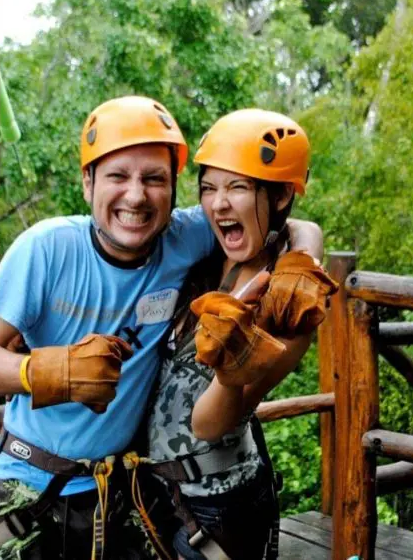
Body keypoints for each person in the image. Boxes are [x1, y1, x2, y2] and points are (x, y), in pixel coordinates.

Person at [0, 97, 323, 560]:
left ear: (171, 190)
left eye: (154, 179)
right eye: (117, 176)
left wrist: (303, 259)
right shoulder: (46, 249)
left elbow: (287, 219)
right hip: (26, 489)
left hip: (122, 500)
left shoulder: (185, 237)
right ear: (87, 183)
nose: (136, 196)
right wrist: (52, 371)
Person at [146, 109, 338, 560]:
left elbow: (210, 423)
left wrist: (234, 365)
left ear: (281, 195)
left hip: (219, 511)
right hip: (162, 497)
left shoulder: (290, 305)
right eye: (209, 187)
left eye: (237, 187)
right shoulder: (215, 254)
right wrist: (308, 247)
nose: (218, 204)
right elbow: (304, 227)